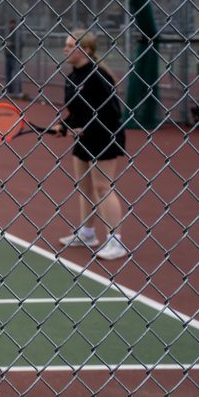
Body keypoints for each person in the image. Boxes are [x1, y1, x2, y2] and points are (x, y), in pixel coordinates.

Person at [51, 29, 129, 260]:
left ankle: (116, 242)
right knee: (84, 187)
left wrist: (85, 128)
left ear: (86, 50)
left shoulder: (97, 77)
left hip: (105, 136)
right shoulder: (72, 77)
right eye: (65, 44)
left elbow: (112, 113)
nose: (65, 48)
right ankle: (87, 233)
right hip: (84, 138)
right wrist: (64, 126)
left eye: (70, 45)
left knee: (103, 187)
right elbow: (77, 112)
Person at [4, 20, 24, 99]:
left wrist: (12, 44)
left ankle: (18, 91)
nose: (11, 25)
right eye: (10, 24)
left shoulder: (17, 33)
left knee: (16, 74)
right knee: (8, 74)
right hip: (8, 56)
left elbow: (22, 43)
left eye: (12, 24)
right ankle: (10, 91)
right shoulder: (8, 33)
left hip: (15, 57)